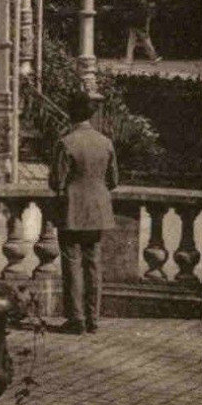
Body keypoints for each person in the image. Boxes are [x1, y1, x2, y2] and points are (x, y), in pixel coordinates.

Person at [49, 92, 119, 336]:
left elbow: (56, 181)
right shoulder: (105, 142)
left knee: (72, 265)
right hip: (98, 210)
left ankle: (76, 318)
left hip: (72, 209)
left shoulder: (66, 142)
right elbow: (113, 180)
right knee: (93, 265)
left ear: (71, 113)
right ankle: (93, 318)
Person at [123, 0, 162, 64]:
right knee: (145, 38)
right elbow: (151, 9)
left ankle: (129, 59)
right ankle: (153, 57)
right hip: (142, 19)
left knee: (132, 40)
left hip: (135, 19)